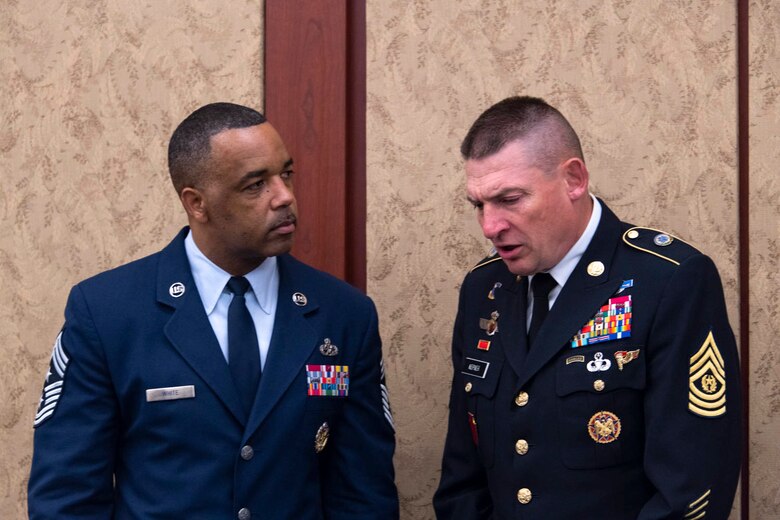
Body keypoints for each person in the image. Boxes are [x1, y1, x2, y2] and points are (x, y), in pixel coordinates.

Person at [28, 102, 399, 519]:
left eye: (286, 174)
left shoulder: (344, 315)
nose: (285, 197)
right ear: (197, 203)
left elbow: (364, 496)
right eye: (255, 185)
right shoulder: (107, 313)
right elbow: (67, 497)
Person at [433, 96, 741, 519]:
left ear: (573, 179)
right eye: (479, 205)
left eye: (510, 199)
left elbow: (692, 482)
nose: (490, 226)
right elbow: (462, 477)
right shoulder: (484, 288)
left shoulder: (667, 281)